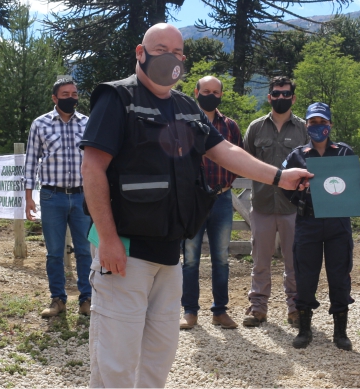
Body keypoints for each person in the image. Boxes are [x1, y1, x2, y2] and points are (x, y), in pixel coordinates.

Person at [79, 23, 312, 388]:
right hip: (125, 252)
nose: (170, 57)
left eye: (178, 52)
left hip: (170, 254)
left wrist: (279, 176)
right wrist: (106, 239)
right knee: (116, 361)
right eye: (161, 49)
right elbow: (92, 168)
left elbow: (228, 152)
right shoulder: (117, 99)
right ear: (141, 53)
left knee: (158, 356)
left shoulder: (186, 106)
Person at [280, 102, 355, 351]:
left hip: (338, 222)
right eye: (313, 122)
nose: (318, 127)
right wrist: (299, 198)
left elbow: (353, 184)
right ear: (307, 125)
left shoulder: (344, 152)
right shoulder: (297, 155)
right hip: (308, 221)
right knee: (305, 275)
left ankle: (340, 332)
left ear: (329, 124)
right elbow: (283, 184)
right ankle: (304, 329)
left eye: (322, 122)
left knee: (339, 274)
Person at [241, 76, 308, 328]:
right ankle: (257, 308)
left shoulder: (303, 129)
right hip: (262, 205)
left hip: (294, 207)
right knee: (260, 260)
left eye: (286, 94)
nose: (281, 98)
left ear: (293, 97)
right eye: (276, 94)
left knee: (294, 260)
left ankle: (295, 308)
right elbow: (246, 161)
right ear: (269, 97)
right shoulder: (256, 128)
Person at [179, 76, 244, 330]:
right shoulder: (184, 123)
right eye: (206, 90)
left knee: (221, 257)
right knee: (191, 257)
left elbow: (238, 158)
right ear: (196, 92)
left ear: (221, 95)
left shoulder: (231, 126)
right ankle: (190, 311)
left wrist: (227, 182)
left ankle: (220, 310)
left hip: (222, 198)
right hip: (193, 199)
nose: (211, 95)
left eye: (215, 91)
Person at [23, 78, 92, 317]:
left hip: (83, 197)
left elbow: (96, 160)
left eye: (74, 93)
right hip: (52, 196)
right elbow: (31, 161)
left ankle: (87, 299)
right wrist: (28, 197)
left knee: (85, 250)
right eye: (65, 94)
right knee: (54, 252)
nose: (71, 97)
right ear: (54, 98)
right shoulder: (40, 124)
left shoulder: (87, 123)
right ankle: (58, 300)